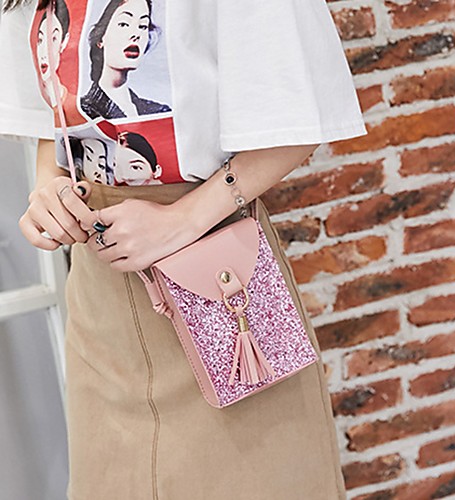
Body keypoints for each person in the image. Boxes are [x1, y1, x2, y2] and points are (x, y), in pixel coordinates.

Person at [1, 0, 367, 498]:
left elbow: (300, 115)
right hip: (102, 303)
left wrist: (180, 220)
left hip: (217, 282)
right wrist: (50, 191)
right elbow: (55, 120)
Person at [80, 0, 171, 119]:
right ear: (101, 39)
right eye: (124, 24)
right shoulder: (82, 111)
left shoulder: (159, 112)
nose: (136, 34)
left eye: (143, 26)